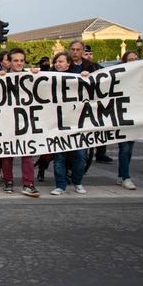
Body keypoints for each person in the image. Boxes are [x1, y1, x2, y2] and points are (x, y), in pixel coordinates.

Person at [0, 48, 40, 197]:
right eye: (16, 60)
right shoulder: (1, 78)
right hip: (7, 120)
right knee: (7, 152)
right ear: (9, 62)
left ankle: (28, 184)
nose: (19, 63)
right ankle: (8, 181)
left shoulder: (31, 77)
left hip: (26, 120)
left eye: (22, 60)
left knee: (27, 152)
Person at [49, 51, 89, 196]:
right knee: (60, 156)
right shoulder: (48, 77)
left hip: (77, 122)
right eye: (56, 61)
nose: (58, 64)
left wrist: (86, 76)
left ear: (68, 64)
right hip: (57, 123)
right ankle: (60, 185)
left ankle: (77, 182)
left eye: (61, 61)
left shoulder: (78, 77)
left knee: (80, 155)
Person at [117, 50, 140, 190]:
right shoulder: (120, 75)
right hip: (121, 115)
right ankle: (126, 177)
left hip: (134, 115)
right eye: (130, 59)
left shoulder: (141, 76)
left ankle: (122, 174)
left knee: (129, 148)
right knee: (124, 148)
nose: (134, 61)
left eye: (136, 59)